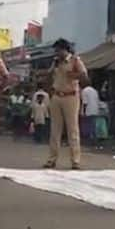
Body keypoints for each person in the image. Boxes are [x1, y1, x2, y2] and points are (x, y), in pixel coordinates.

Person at [44, 38, 88, 170]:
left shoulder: (75, 61)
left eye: (58, 50)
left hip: (71, 97)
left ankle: (75, 160)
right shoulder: (56, 62)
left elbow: (84, 76)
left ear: (65, 49)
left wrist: (73, 74)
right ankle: (52, 159)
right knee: (55, 130)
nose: (56, 53)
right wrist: (52, 68)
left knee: (72, 129)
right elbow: (48, 76)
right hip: (57, 96)